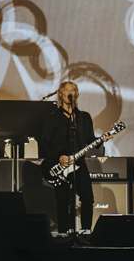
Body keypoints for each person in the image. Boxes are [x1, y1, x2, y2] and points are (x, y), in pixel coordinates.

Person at [40, 79, 97, 238]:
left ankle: (86, 230)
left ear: (76, 94)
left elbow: (90, 139)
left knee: (87, 197)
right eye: (66, 90)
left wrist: (102, 140)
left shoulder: (84, 117)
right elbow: (44, 142)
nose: (70, 92)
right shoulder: (53, 118)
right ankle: (63, 232)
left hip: (79, 164)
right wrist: (58, 158)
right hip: (61, 165)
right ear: (61, 94)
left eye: (73, 89)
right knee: (63, 199)